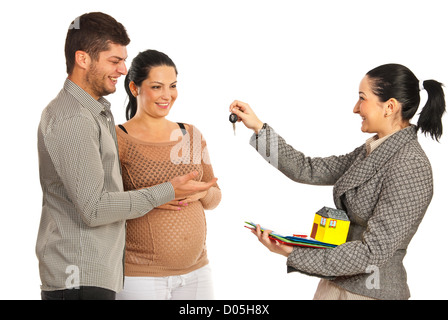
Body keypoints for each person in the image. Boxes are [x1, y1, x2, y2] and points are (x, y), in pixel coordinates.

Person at [36, 13, 217, 300]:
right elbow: (95, 208)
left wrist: (194, 194)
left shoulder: (95, 115)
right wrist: (169, 191)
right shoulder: (72, 118)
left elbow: (213, 193)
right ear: (83, 59)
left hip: (99, 275)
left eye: (123, 60)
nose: (122, 69)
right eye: (114, 61)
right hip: (79, 277)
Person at [230, 63, 445, 300]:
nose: (355, 108)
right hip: (336, 283)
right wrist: (259, 127)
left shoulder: (410, 165)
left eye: (362, 98)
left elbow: (372, 252)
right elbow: (307, 169)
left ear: (390, 107)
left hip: (371, 294)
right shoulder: (374, 150)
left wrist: (293, 253)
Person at [115, 49, 221, 300]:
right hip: (140, 275)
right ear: (134, 88)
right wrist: (160, 194)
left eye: (172, 86)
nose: (167, 95)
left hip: (197, 271)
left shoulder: (191, 134)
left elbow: (215, 198)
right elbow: (106, 203)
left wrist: (202, 191)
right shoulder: (116, 138)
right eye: (157, 86)